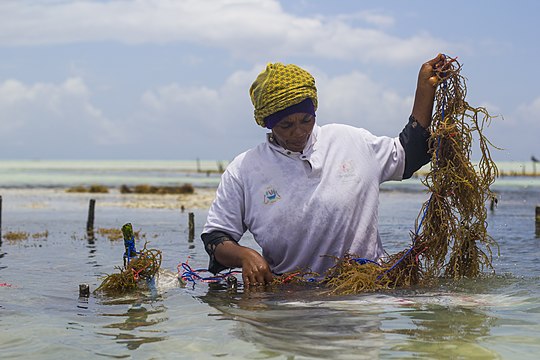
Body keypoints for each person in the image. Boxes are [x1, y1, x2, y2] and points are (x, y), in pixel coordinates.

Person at [201, 54, 449, 287]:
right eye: (286, 125)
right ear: (267, 123)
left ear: (314, 111)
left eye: (306, 120)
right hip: (290, 300)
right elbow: (216, 237)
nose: (298, 132)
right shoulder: (244, 170)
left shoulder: (351, 141)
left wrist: (424, 89)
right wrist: (245, 255)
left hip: (365, 291)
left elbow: (410, 153)